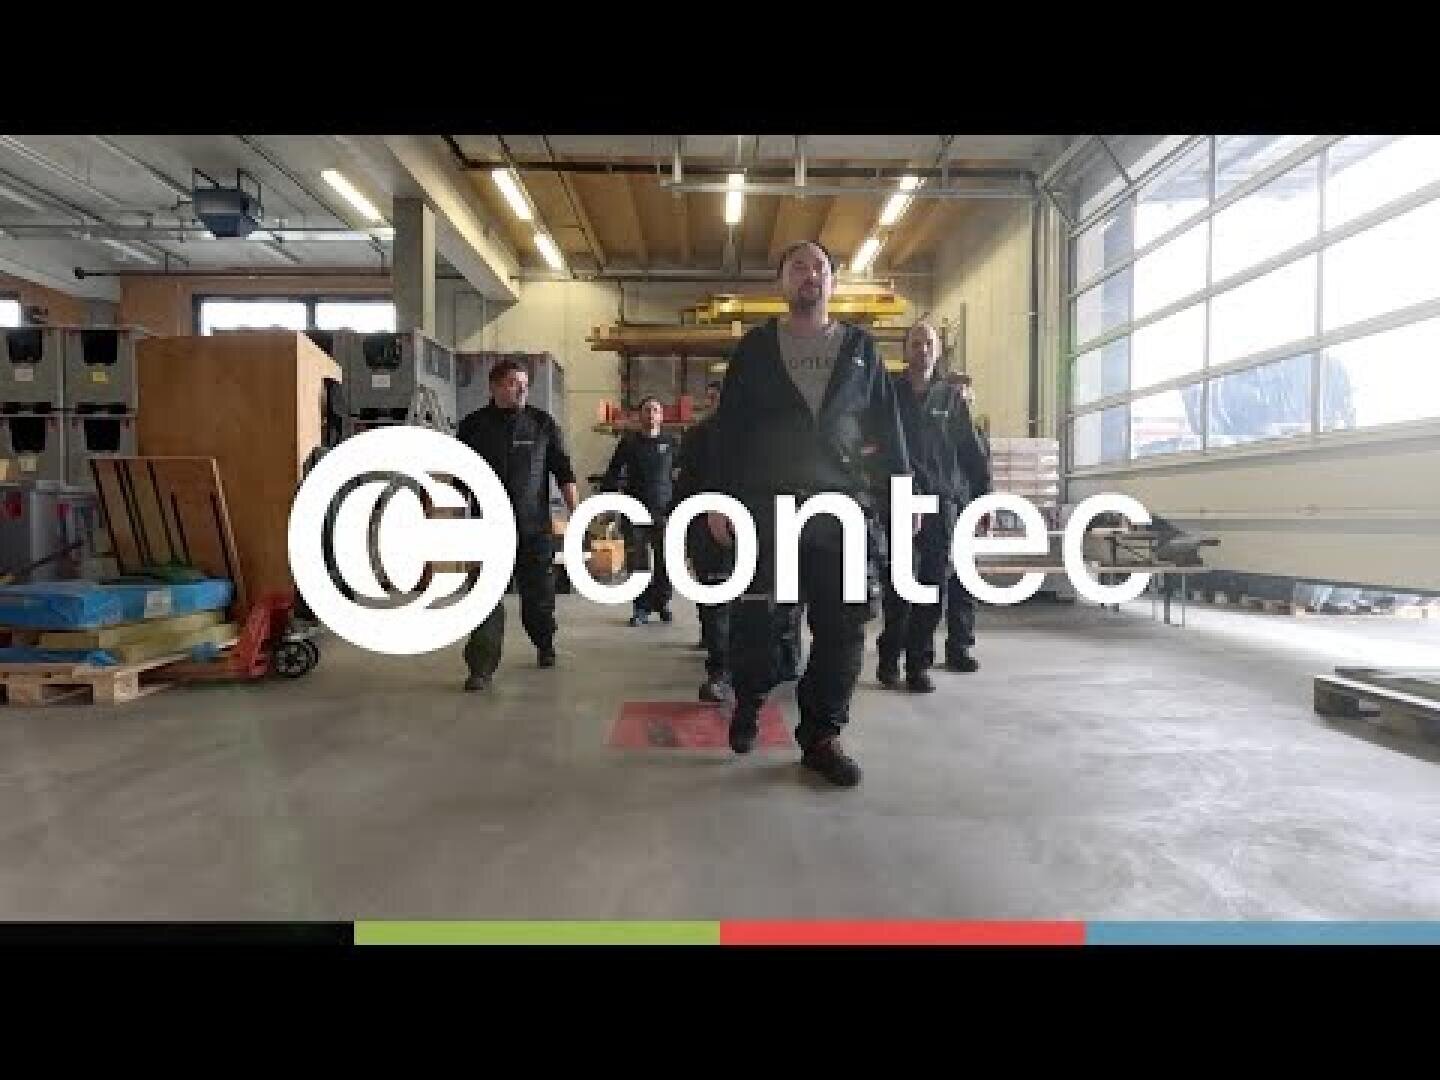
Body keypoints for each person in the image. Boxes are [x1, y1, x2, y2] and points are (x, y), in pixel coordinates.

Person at [704, 240, 910, 788]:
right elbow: (729, 431)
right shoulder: (754, 350)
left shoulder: (861, 350)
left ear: (833, 283)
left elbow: (888, 431)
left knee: (842, 625)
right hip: (769, 504)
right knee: (760, 617)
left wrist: (904, 494)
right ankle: (749, 698)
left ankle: (821, 734)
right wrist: (719, 498)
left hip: (840, 507)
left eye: (820, 267)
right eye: (798, 266)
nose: (809, 275)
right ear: (782, 282)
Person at [875, 323, 990, 692]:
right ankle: (889, 657)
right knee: (897, 586)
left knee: (934, 585)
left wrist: (982, 500)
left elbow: (970, 454)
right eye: (915, 343)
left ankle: (918, 664)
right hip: (900, 501)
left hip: (942, 504)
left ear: (937, 352)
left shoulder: (950, 399)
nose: (922, 349)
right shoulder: (888, 395)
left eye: (929, 343)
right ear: (905, 350)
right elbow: (874, 449)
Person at [455, 357, 578, 691]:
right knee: (484, 600)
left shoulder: (542, 424)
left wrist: (575, 513)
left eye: (524, 383)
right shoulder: (473, 427)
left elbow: (563, 471)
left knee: (538, 600)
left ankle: (544, 642)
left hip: (534, 529)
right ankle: (480, 667)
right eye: (513, 382)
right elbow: (457, 478)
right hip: (488, 529)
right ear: (494, 387)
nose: (521, 389)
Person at [671, 386, 732, 701]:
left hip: (755, 528)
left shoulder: (761, 434)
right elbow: (684, 487)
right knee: (714, 601)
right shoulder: (696, 437)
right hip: (706, 529)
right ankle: (720, 671)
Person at [603, 396, 678, 626]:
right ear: (639, 415)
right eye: (647, 410)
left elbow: (685, 474)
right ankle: (641, 608)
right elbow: (613, 473)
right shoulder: (629, 443)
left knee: (666, 561)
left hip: (664, 511)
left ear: (661, 416)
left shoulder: (672, 443)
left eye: (655, 410)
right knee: (638, 562)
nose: (651, 414)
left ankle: (662, 603)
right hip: (635, 511)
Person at [938, 370, 990, 672]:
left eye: (965, 391)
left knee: (963, 584)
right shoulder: (938, 428)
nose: (961, 396)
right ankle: (920, 651)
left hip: (965, 509)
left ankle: (960, 648)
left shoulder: (976, 431)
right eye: (955, 390)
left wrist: (985, 507)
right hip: (942, 507)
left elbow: (983, 472)